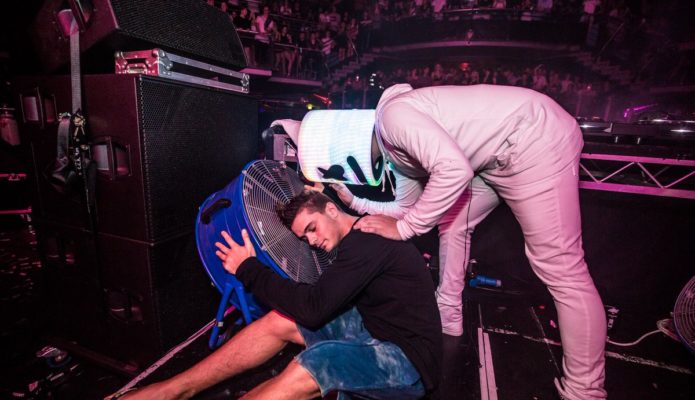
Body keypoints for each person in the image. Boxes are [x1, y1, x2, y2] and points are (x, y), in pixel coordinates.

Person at [271, 83, 607, 400]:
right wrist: (353, 200)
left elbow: (452, 171)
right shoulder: (394, 155)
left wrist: (406, 230)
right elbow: (404, 208)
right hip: (489, 161)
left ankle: (585, 390)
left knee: (560, 267)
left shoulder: (393, 118)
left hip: (534, 137)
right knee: (453, 225)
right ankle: (449, 316)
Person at [112, 190, 442, 400]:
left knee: (319, 361)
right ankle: (173, 390)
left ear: (329, 209)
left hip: (407, 361)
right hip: (375, 328)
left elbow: (314, 307)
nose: (311, 241)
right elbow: (312, 301)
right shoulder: (363, 231)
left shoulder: (367, 243)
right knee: (282, 319)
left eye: (311, 228)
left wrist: (248, 268)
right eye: (304, 238)